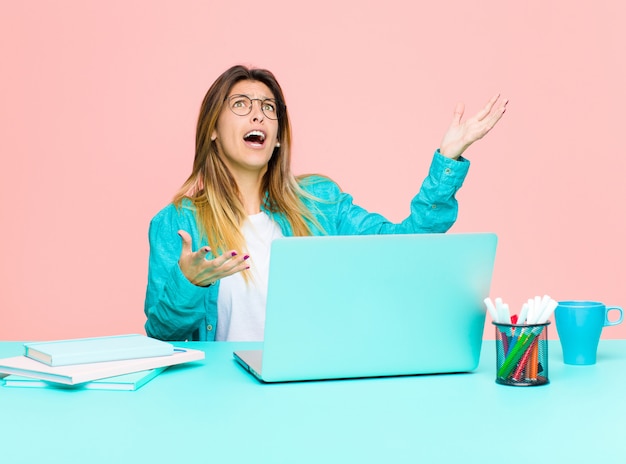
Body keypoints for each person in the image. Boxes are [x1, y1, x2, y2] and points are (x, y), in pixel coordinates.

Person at [144, 65, 507, 342]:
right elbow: (161, 336)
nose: (258, 115)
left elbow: (406, 244)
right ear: (212, 129)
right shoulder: (176, 223)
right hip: (220, 402)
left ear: (277, 139)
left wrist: (447, 159)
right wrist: (189, 283)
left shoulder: (319, 203)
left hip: (308, 394)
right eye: (241, 104)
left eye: (269, 108)